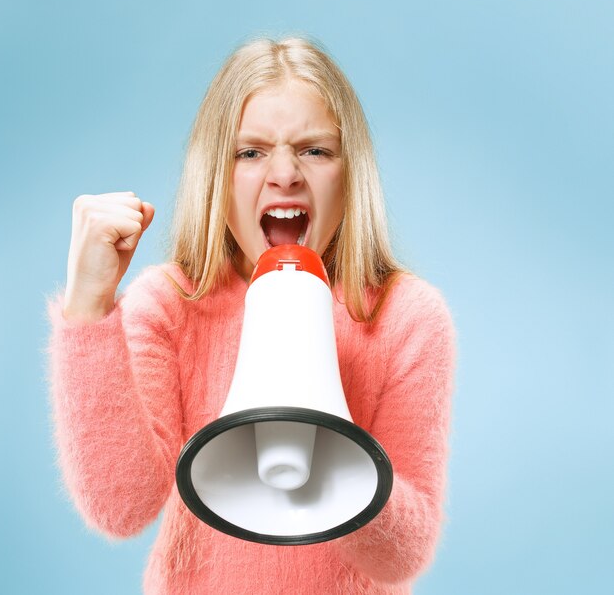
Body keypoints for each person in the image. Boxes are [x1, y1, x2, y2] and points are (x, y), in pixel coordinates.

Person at [48, 37, 456, 594]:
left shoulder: (404, 316)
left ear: (350, 171)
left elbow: (402, 559)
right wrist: (90, 308)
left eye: (315, 150)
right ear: (217, 174)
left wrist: (330, 438)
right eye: (250, 152)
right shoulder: (170, 304)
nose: (284, 174)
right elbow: (120, 508)